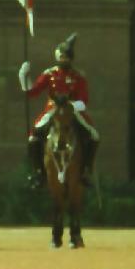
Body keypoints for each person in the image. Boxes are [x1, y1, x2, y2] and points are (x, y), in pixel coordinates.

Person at [20, 33, 99, 187]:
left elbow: (84, 100)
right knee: (33, 137)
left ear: (71, 58)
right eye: (61, 57)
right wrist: (24, 76)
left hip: (72, 109)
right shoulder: (49, 74)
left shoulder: (78, 77)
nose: (64, 60)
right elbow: (33, 92)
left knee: (94, 136)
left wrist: (72, 106)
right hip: (53, 109)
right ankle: (38, 172)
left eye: (66, 57)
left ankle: (86, 170)